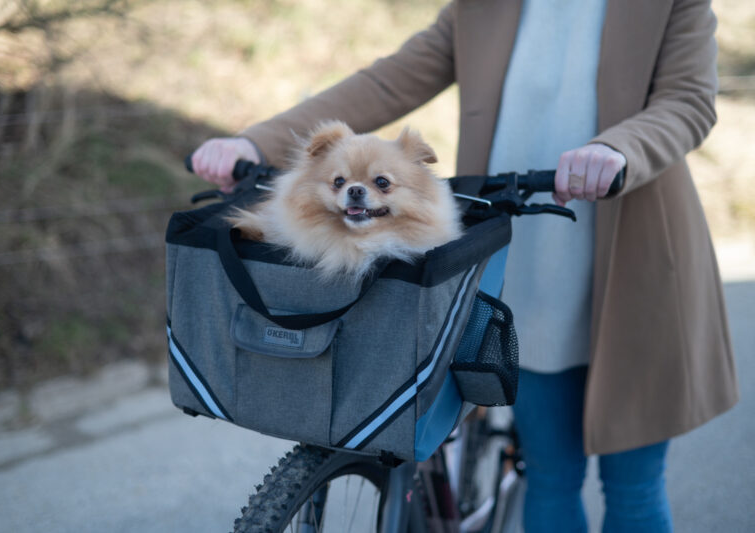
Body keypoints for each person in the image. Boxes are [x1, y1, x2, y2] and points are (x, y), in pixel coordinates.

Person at [190, 0, 739, 531]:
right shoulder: (480, 6)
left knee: (633, 489)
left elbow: (689, 101)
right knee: (550, 477)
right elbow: (386, 82)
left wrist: (619, 148)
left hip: (635, 265)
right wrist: (253, 140)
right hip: (518, 265)